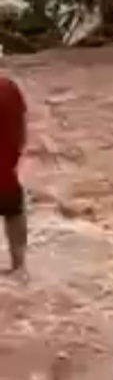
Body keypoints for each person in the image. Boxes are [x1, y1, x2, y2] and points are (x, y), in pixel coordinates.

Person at [0, 72, 27, 273]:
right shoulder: (9, 87)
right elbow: (22, 134)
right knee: (14, 213)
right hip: (6, 177)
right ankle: (19, 267)